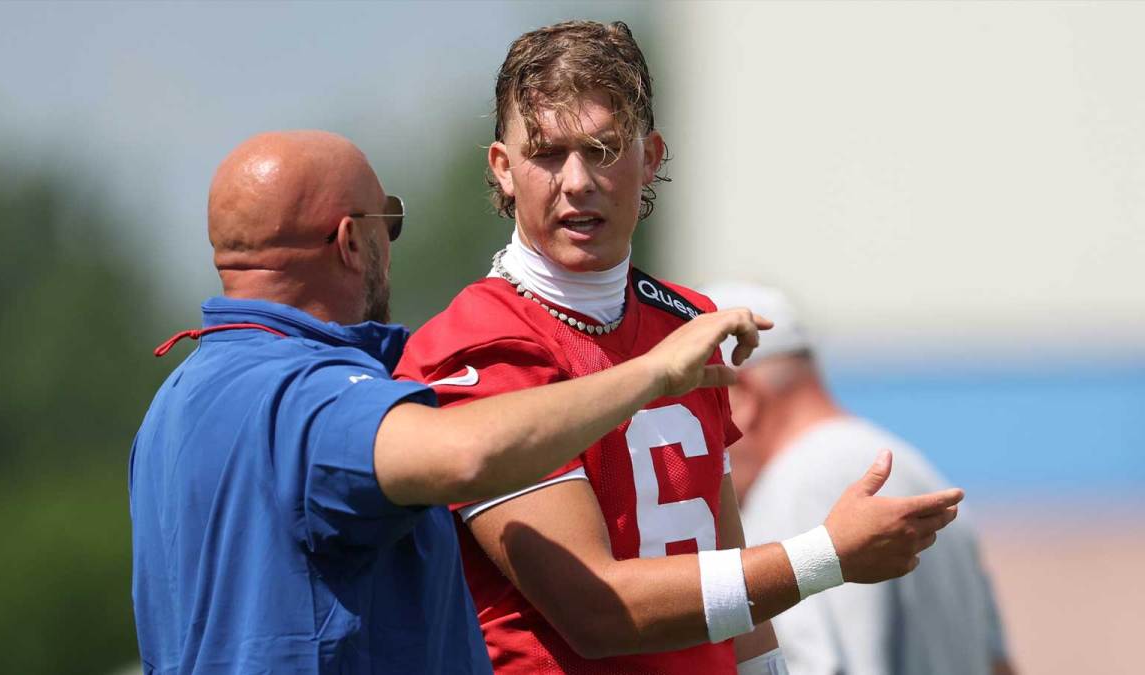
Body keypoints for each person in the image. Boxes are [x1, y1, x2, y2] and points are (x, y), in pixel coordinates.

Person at [395, 20, 965, 675]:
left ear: (652, 158)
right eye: (548, 153)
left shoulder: (688, 321)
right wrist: (826, 554)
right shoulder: (479, 345)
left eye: (602, 148)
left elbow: (725, 565)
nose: (576, 180)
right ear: (502, 168)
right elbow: (597, 613)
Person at [128, 130, 771, 675]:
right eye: (391, 221)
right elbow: (465, 453)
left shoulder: (175, 401)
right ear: (354, 241)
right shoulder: (314, 396)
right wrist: (651, 373)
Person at [701, 281, 1016, 675]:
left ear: (742, 398)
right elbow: (998, 663)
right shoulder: (910, 463)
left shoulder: (799, 487)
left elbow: (813, 666)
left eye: (690, 408)